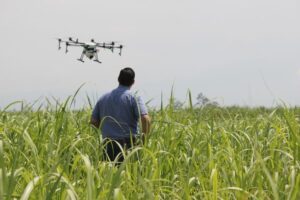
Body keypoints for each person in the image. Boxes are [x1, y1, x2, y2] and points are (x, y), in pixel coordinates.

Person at [90, 67, 151, 163]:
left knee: (107, 175)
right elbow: (145, 119)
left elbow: (93, 121)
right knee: (128, 175)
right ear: (133, 82)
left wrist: (106, 129)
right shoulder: (133, 97)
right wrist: (143, 141)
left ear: (118, 79)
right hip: (128, 145)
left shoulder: (103, 98)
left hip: (108, 144)